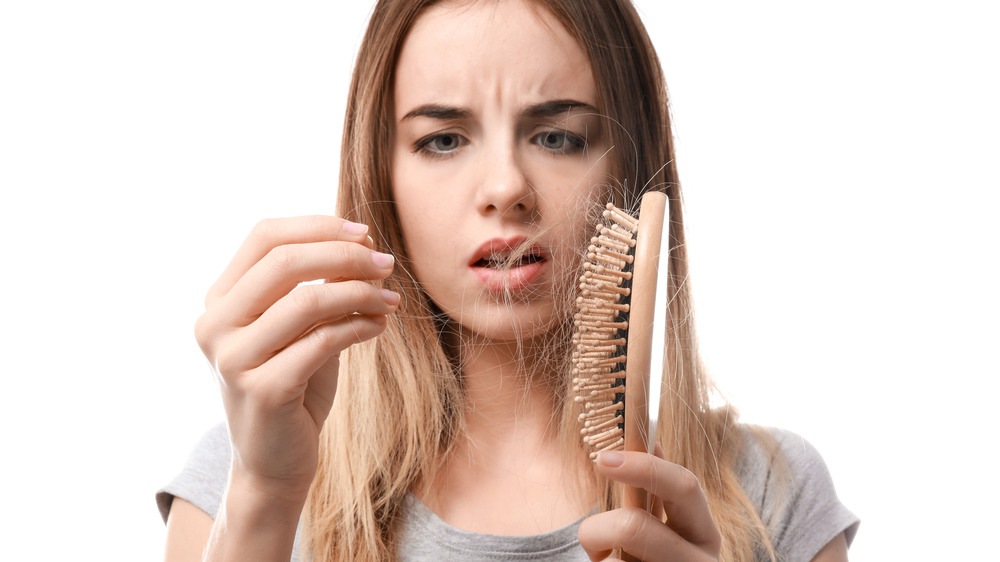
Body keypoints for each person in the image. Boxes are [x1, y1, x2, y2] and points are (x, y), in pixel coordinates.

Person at [158, 0, 859, 560]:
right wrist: (264, 496)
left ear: (630, 167)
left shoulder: (772, 494)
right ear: (382, 177)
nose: (505, 188)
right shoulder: (245, 475)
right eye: (443, 140)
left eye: (557, 136)